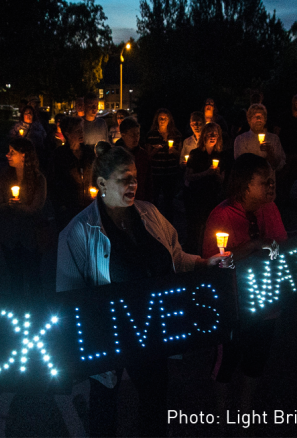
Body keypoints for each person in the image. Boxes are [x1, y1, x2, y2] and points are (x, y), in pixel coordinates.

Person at [57, 142, 231, 438]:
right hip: (109, 339)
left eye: (135, 177)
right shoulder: (78, 232)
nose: (133, 184)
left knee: (154, 402)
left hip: (153, 332)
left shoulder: (149, 214)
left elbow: (175, 257)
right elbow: (69, 299)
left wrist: (204, 262)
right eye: (125, 178)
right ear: (101, 183)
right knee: (104, 406)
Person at [202, 153, 287, 422]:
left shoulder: (269, 208)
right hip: (235, 307)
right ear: (245, 184)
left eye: (273, 181)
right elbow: (213, 267)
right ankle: (224, 420)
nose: (272, 186)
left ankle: (245, 417)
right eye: (265, 182)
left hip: (266, 302)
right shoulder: (222, 216)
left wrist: (272, 250)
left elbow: (280, 248)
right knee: (227, 362)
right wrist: (249, 247)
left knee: (255, 362)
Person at [0, 138, 47, 300]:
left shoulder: (38, 179)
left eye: (12, 152)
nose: (7, 155)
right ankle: (18, 310)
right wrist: (8, 205)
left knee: (34, 278)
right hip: (10, 237)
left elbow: (36, 208)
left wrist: (18, 206)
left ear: (24, 156)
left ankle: (36, 312)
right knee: (15, 279)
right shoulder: (4, 178)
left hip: (31, 237)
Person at [184, 122, 225, 254]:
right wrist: (206, 173)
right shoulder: (195, 154)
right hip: (196, 196)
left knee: (211, 227)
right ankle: (192, 255)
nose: (213, 136)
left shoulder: (221, 155)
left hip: (212, 197)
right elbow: (188, 177)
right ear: (204, 136)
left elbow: (222, 180)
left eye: (215, 133)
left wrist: (217, 175)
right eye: (210, 133)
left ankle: (208, 253)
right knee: (195, 227)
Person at [48, 116, 95, 231]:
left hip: (88, 207)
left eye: (82, 130)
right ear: (68, 134)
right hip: (68, 209)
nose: (81, 133)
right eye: (77, 131)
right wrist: (61, 206)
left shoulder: (89, 153)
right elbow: (54, 183)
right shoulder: (59, 155)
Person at [146, 108, 182, 223]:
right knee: (154, 199)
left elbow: (181, 156)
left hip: (170, 173)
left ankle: (168, 224)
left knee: (169, 201)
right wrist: (154, 151)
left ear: (169, 120)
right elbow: (147, 156)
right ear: (156, 119)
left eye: (165, 118)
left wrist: (173, 151)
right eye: (160, 118)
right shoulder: (151, 135)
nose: (162, 120)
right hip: (156, 172)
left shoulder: (176, 135)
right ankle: (154, 222)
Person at [234, 104, 285, 172]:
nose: (258, 119)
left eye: (261, 116)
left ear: (265, 119)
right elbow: (240, 163)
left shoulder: (274, 139)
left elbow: (280, 164)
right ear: (249, 119)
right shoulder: (241, 140)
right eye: (255, 116)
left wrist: (270, 152)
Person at [115, 116, 152, 202]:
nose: (136, 138)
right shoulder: (115, 155)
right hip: (120, 199)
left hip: (139, 198)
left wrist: (149, 200)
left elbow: (148, 181)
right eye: (133, 135)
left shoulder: (143, 155)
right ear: (123, 135)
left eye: (138, 134)